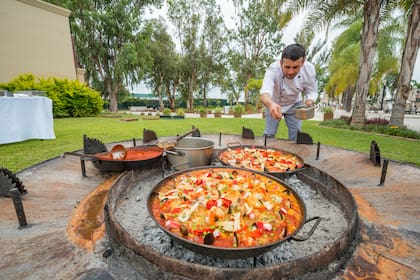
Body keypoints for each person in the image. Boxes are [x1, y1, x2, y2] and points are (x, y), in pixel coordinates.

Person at [260, 43, 318, 141]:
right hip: (274, 103)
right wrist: (270, 104)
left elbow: (311, 90)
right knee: (269, 134)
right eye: (287, 67)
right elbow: (264, 92)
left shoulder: (309, 69)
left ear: (302, 63)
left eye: (295, 67)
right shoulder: (273, 69)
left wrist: (310, 100)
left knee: (296, 136)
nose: (290, 72)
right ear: (281, 63)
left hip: (295, 104)